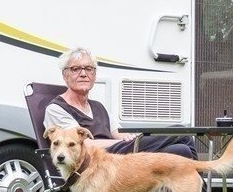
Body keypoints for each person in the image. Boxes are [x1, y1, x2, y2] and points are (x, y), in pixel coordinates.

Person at [44, 47, 197, 159]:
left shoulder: (98, 107)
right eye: (76, 69)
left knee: (182, 150)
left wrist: (131, 139)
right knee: (179, 131)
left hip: (119, 152)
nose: (83, 73)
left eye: (89, 69)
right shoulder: (57, 109)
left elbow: (119, 134)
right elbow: (85, 145)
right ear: (65, 75)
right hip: (101, 162)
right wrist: (123, 143)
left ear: (94, 75)